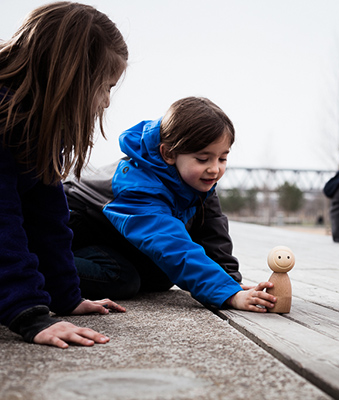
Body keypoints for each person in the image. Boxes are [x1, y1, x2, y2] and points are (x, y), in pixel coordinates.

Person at [64, 96, 277, 312]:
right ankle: (49, 267)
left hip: (112, 239)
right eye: (203, 159)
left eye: (222, 159)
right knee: (122, 279)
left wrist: (230, 283)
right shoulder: (138, 187)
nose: (214, 169)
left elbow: (213, 234)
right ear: (168, 154)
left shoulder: (198, 182)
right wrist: (228, 294)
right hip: (73, 230)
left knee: (161, 277)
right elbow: (170, 244)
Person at [0, 2, 128, 348]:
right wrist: (29, 313)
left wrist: (65, 296)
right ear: (72, 79)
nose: (106, 102)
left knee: (125, 278)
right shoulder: (4, 118)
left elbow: (47, 218)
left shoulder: (37, 126)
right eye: (106, 87)